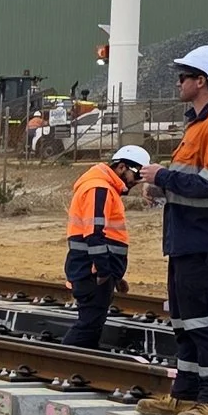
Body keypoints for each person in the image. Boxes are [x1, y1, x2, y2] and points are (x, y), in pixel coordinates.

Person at [147, 43, 208, 415]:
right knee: (185, 322)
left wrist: (162, 177)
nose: (179, 82)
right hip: (186, 239)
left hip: (203, 240)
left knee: (204, 323)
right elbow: (192, 182)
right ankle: (185, 395)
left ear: (201, 81)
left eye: (184, 76)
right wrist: (159, 189)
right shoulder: (198, 124)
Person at [64, 144, 148, 347]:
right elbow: (94, 234)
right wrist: (103, 271)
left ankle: (76, 364)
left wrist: (115, 275)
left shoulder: (105, 189)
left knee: (92, 323)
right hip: (91, 271)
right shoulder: (98, 189)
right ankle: (65, 362)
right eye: (136, 174)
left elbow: (106, 236)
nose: (137, 181)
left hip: (94, 269)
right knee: (88, 326)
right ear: (121, 167)